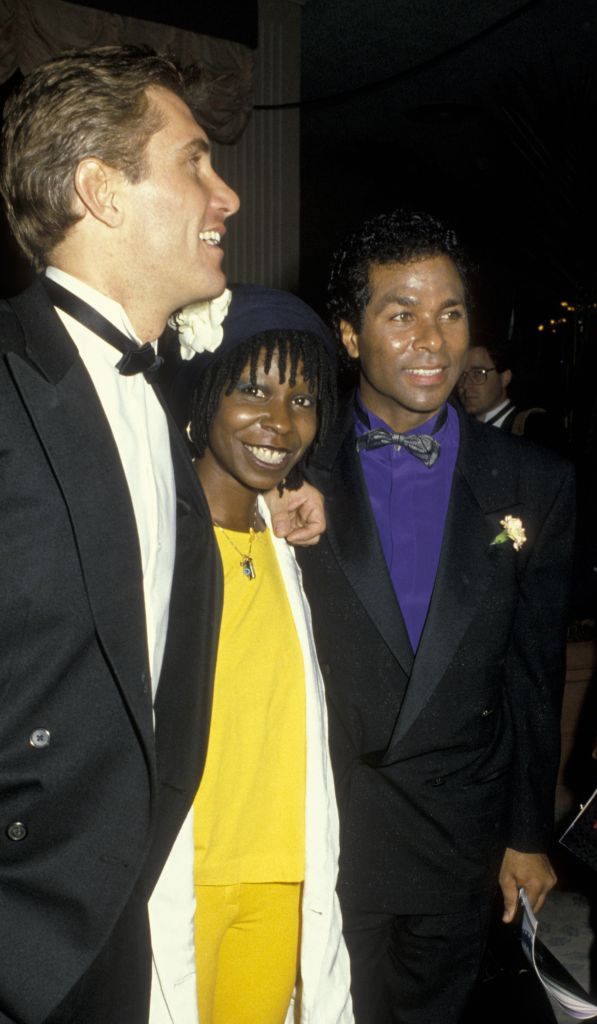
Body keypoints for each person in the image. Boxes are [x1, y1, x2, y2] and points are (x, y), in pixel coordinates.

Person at [0, 45, 323, 1024]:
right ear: (102, 190)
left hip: (110, 941)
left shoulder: (163, 412)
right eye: (195, 161)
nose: (227, 194)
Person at [296, 210, 576, 1024]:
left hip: (458, 832)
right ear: (349, 335)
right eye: (401, 313)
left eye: (450, 312)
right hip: (324, 826)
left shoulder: (534, 482)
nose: (433, 339)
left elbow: (532, 672)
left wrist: (527, 835)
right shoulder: (285, 463)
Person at [148, 284, 352, 1024]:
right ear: (203, 395)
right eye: (253, 389)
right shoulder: (152, 543)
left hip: (280, 879)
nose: (280, 420)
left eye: (301, 399)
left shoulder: (293, 546)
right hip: (176, 880)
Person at [457, 341, 566, 450]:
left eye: (478, 373)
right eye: (461, 375)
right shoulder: (457, 429)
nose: (465, 385)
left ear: (505, 378)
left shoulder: (535, 429)